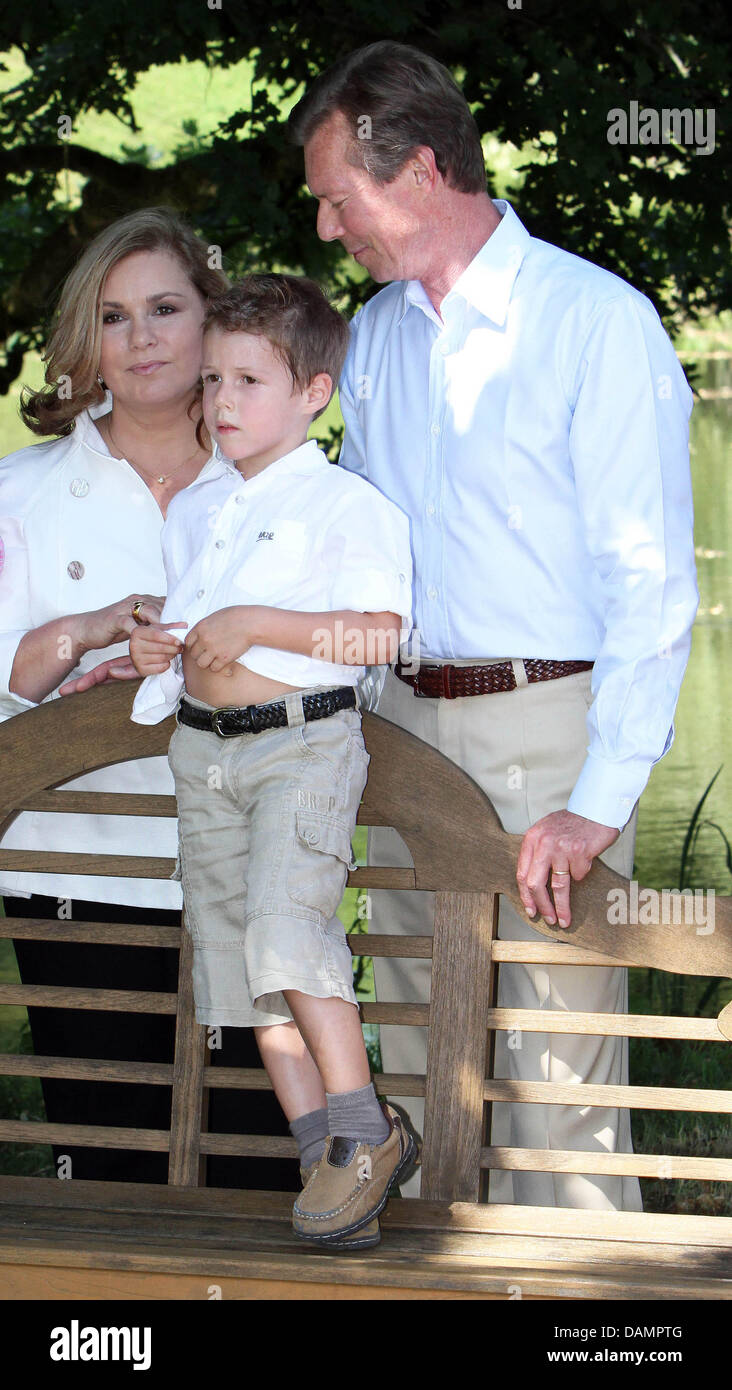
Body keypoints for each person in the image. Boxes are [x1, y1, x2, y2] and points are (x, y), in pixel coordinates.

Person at [290, 42, 699, 1209]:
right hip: (401, 729)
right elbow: (359, 563)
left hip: (548, 737)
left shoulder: (594, 324)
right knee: (421, 1058)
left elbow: (650, 586)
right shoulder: (369, 343)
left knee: (554, 1084)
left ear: (418, 171)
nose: (326, 229)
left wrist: (600, 799)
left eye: (337, 197)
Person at [0, 208, 293, 1188]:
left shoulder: (283, 490)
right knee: (116, 1182)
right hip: (81, 892)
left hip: (253, 883)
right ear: (89, 340)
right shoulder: (20, 496)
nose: (142, 339)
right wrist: (80, 667)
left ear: (214, 322)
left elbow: (356, 672)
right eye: (115, 316)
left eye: (166, 308)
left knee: (261, 1177)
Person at [129, 273, 416, 1247]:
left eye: (250, 380)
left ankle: (366, 1133)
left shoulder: (346, 504)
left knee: (290, 929)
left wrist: (255, 622)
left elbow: (380, 637)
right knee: (242, 970)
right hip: (204, 757)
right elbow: (196, 630)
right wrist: (162, 650)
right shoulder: (209, 509)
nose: (222, 402)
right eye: (213, 380)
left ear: (315, 393)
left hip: (298, 745)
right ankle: (324, 1164)